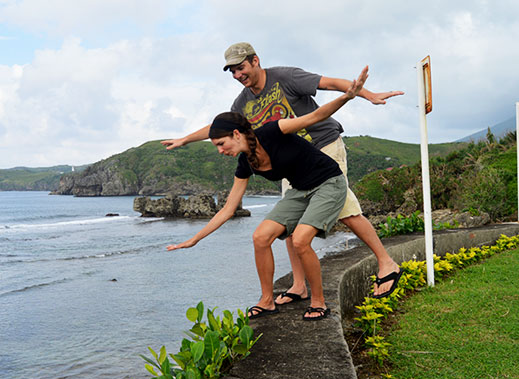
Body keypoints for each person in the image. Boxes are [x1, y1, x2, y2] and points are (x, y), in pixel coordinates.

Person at [162, 43, 404, 301]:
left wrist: (366, 94)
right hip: (287, 159)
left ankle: (386, 262)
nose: (237, 75)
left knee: (344, 208)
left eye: (240, 68)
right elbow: (220, 127)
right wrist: (185, 139)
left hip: (323, 146)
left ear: (255, 61)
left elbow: (331, 83)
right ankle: (299, 284)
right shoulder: (243, 102)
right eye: (232, 71)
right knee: (289, 223)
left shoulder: (285, 77)